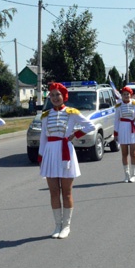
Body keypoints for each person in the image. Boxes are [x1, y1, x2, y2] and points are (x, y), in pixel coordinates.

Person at [38, 82, 95, 239]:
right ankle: (57, 225)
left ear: (64, 96)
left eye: (58, 95)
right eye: (52, 95)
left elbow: (90, 126)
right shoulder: (45, 115)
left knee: (67, 192)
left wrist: (74, 135)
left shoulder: (71, 112)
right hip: (50, 153)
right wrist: (41, 157)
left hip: (65, 152)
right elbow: (43, 137)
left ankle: (66, 226)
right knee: (54, 191)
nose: (55, 98)